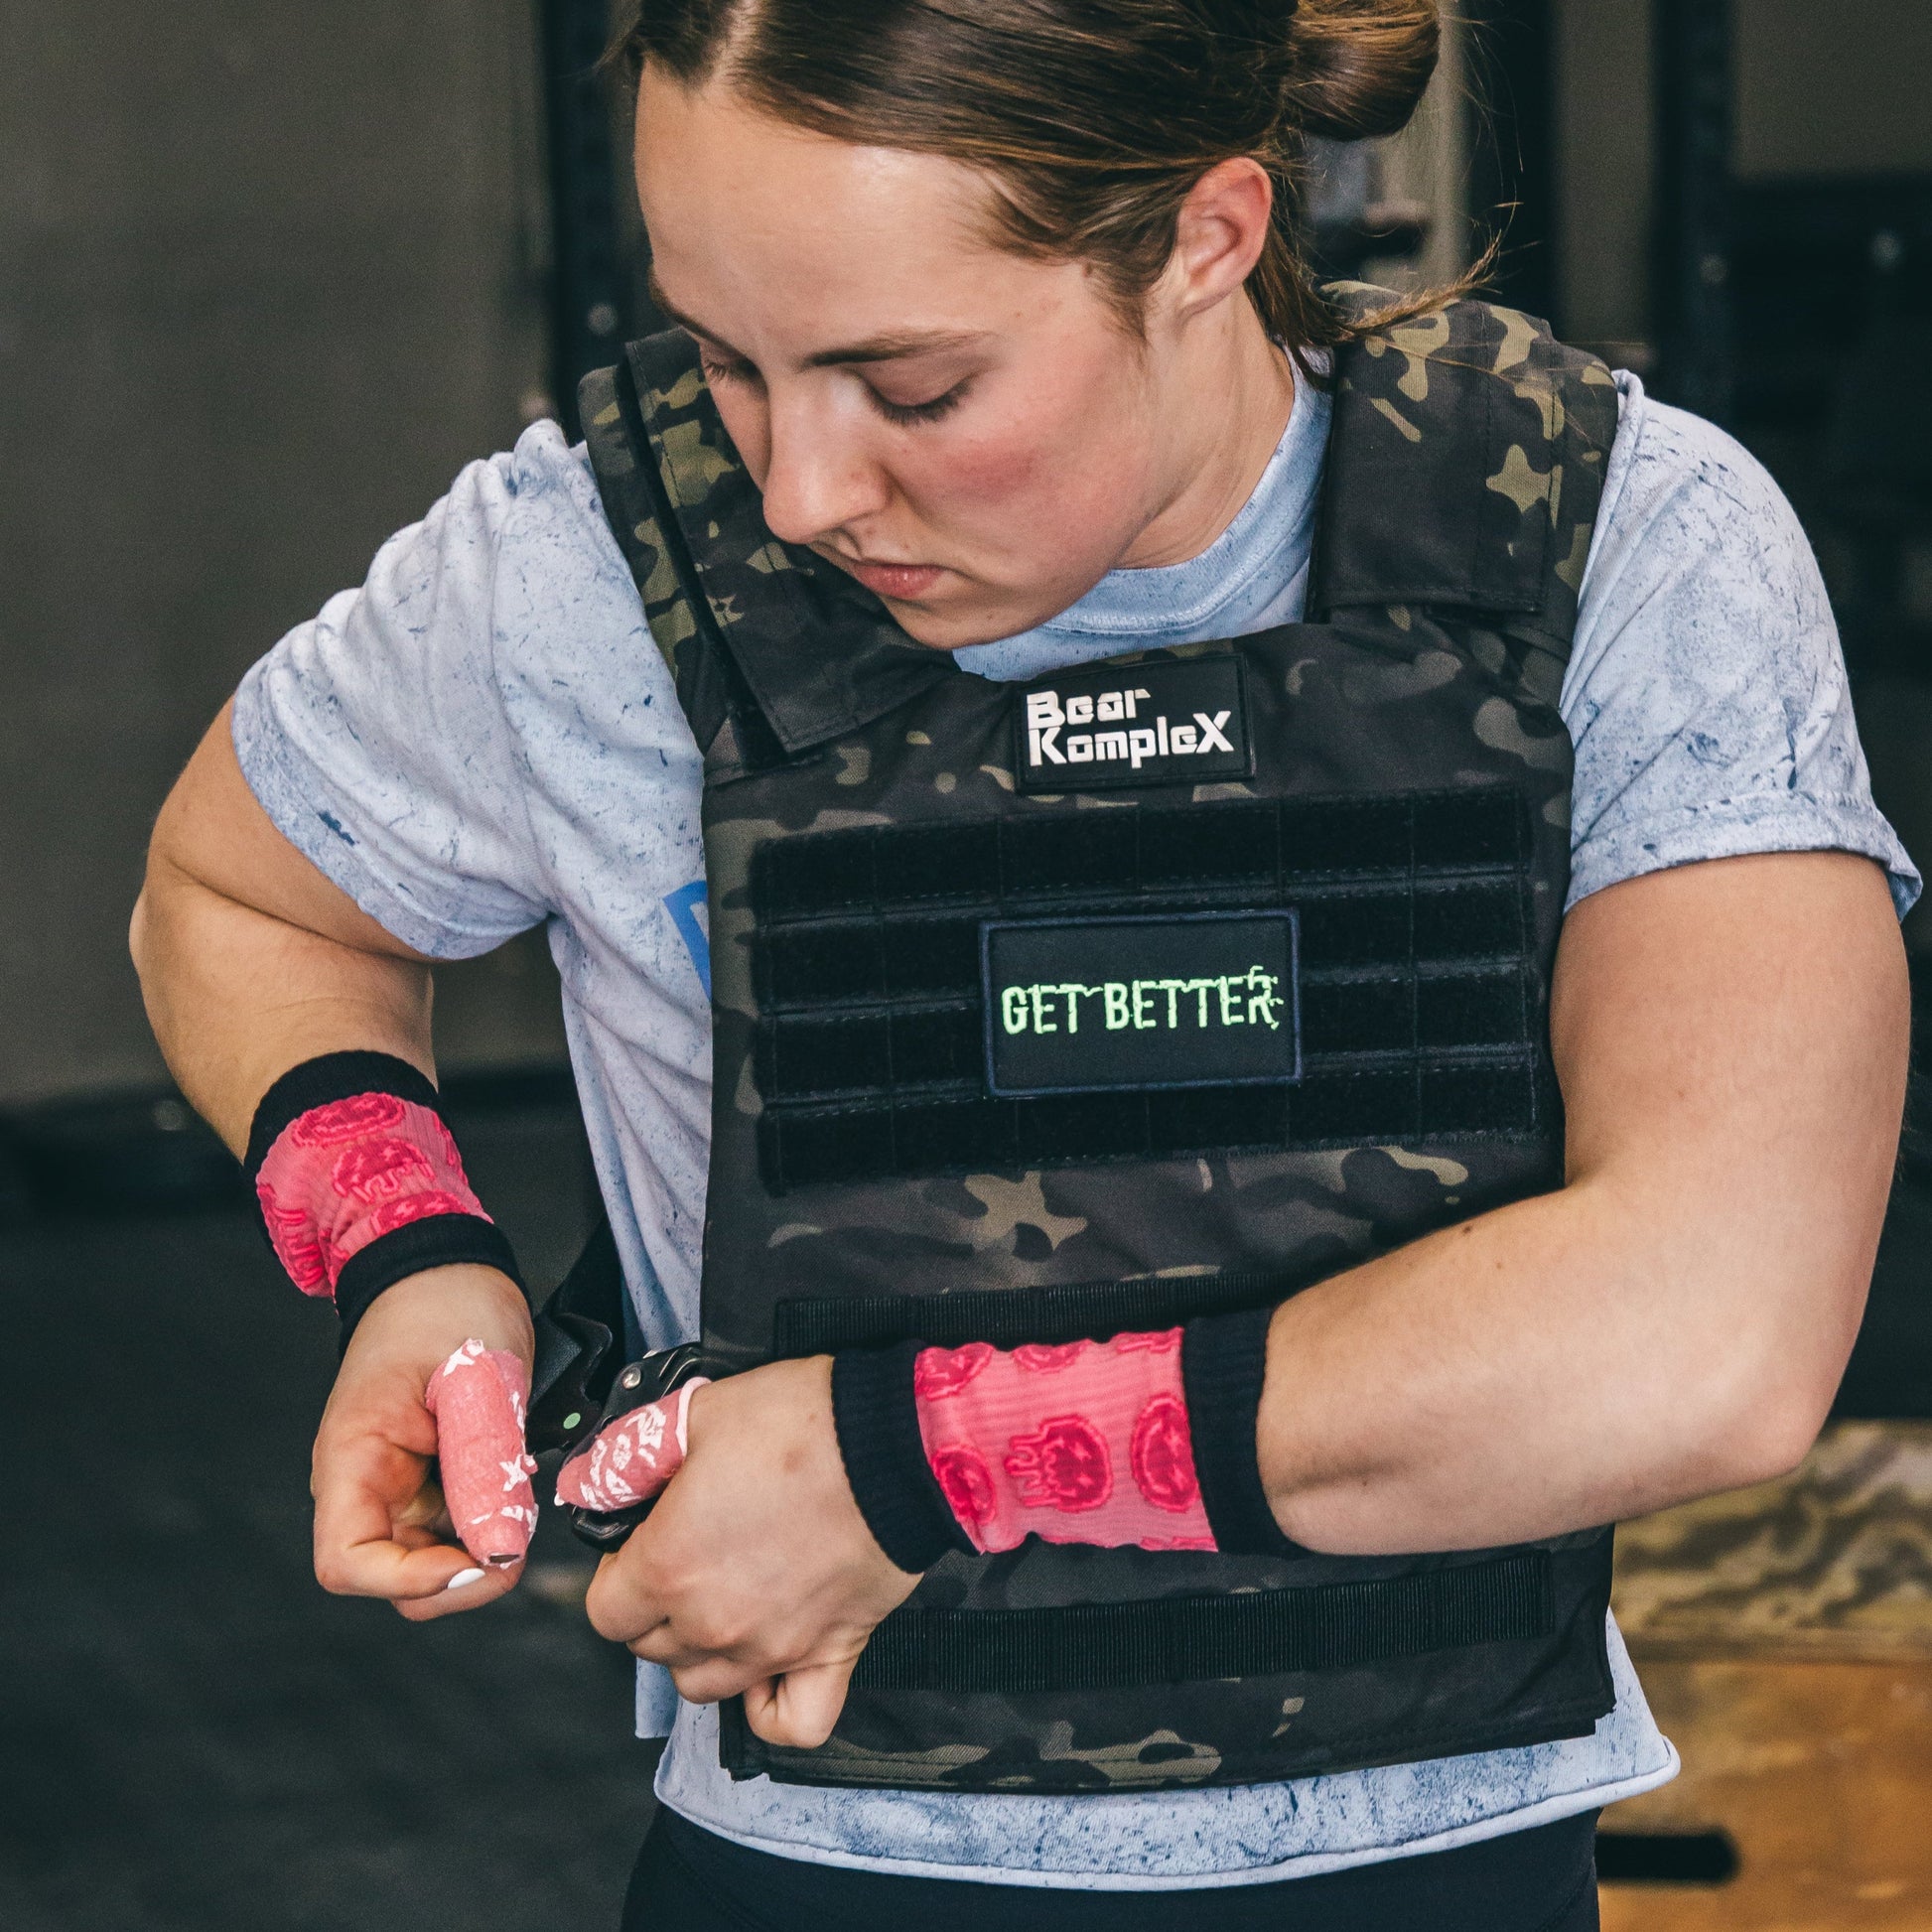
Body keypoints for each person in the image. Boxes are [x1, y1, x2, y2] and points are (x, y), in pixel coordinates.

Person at [131, 0, 1916, 1925]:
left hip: (1436, 1863)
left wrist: (914, 1464)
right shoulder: (576, 580)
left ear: (1208, 235)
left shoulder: (1608, 542)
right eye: (726, 359)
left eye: (910, 388)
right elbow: (241, 896)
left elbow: (1712, 1332)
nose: (799, 490)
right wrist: (404, 1244)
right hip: (815, 1873)